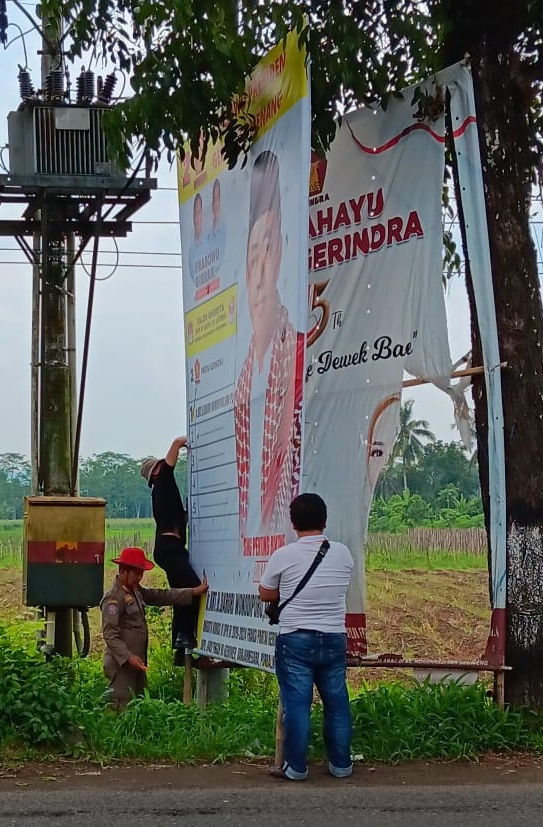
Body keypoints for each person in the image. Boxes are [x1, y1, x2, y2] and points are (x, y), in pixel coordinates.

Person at [258, 493, 355, 781]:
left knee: (297, 705)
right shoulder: (343, 553)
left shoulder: (284, 555)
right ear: (325, 521)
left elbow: (266, 593)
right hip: (334, 636)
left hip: (296, 639)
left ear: (293, 523)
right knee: (337, 703)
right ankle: (341, 765)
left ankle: (297, 768)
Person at [234, 150, 301, 542]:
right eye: (252, 257)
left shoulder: (297, 354)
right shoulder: (242, 384)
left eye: (269, 252)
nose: (259, 275)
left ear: (283, 255)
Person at [100, 546, 207, 708]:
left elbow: (161, 595)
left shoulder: (135, 591)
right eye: (136, 573)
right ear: (123, 571)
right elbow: (110, 635)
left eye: (141, 573)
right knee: (121, 707)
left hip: (137, 663)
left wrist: (192, 592)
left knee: (138, 706)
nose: (139, 577)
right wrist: (129, 657)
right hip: (121, 665)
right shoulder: (113, 598)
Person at [141, 436, 204, 661]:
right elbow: (170, 461)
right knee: (194, 589)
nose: (163, 466)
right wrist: (179, 443)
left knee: (180, 595)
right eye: (160, 466)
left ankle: (180, 644)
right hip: (170, 548)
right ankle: (185, 635)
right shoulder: (163, 481)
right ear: (155, 472)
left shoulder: (163, 492)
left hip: (170, 548)